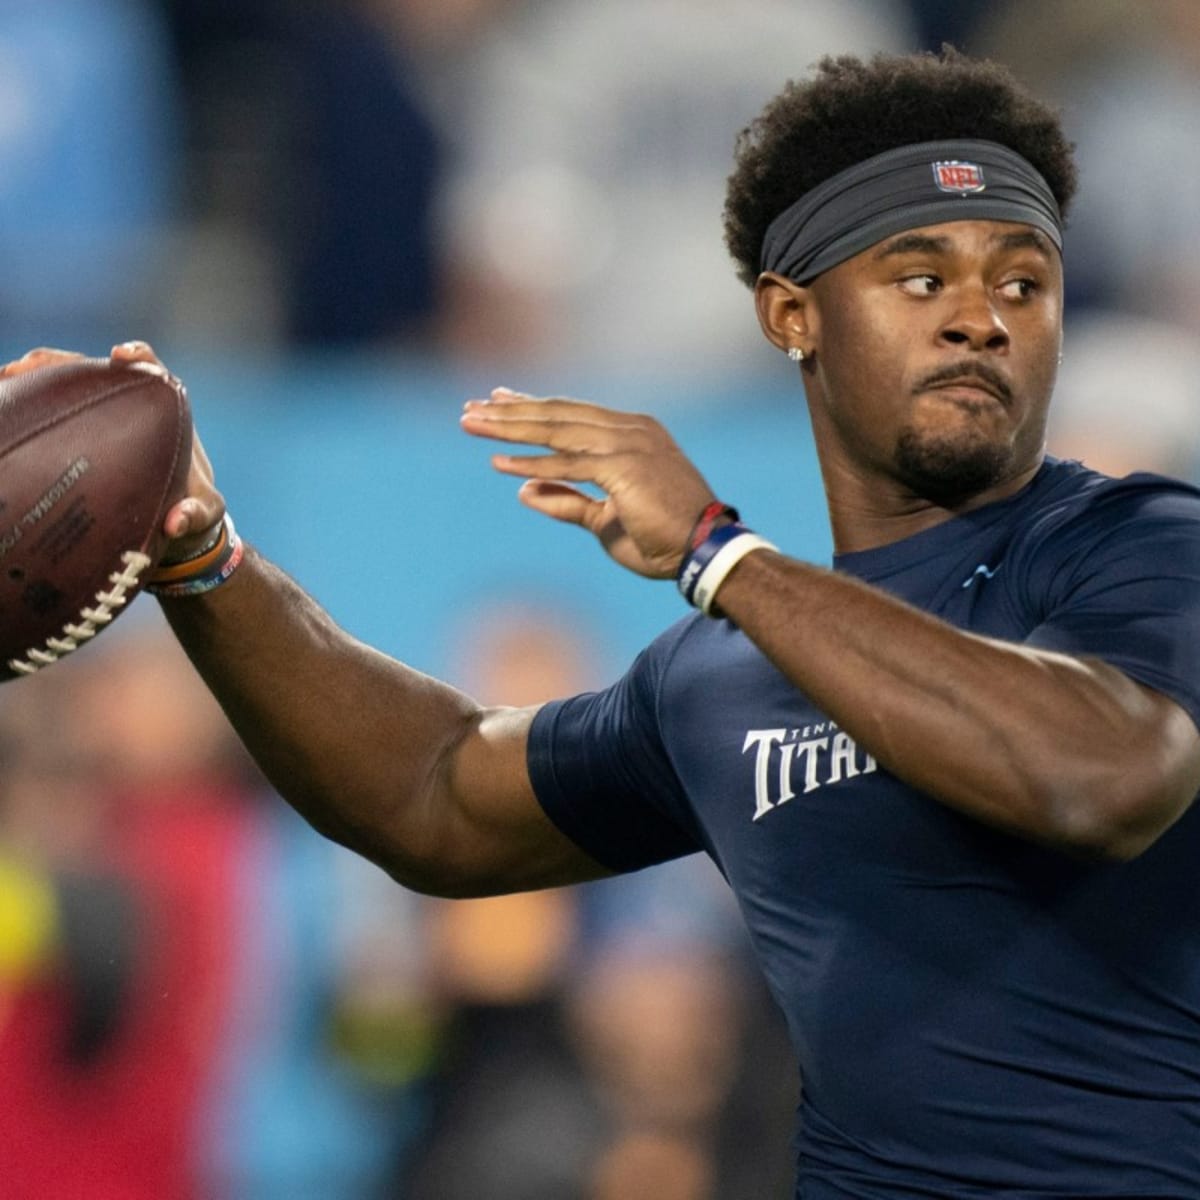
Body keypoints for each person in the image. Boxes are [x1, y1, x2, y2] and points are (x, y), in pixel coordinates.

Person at [12, 46, 1200, 1197]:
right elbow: (431, 796)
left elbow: (1103, 772)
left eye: (1023, 283)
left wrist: (718, 553)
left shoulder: (1142, 548)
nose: (981, 319)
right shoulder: (727, 674)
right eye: (923, 277)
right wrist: (207, 557)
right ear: (793, 315)